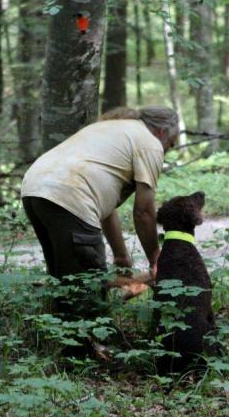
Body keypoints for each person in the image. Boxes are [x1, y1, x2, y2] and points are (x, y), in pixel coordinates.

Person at [21, 105, 179, 319]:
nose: (170, 147)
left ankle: (63, 340)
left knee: (66, 280)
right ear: (162, 131)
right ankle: (86, 347)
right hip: (71, 193)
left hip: (35, 188)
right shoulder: (150, 144)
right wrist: (156, 260)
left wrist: (122, 256)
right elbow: (144, 212)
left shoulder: (111, 128)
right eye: (171, 142)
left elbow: (106, 208)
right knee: (89, 289)